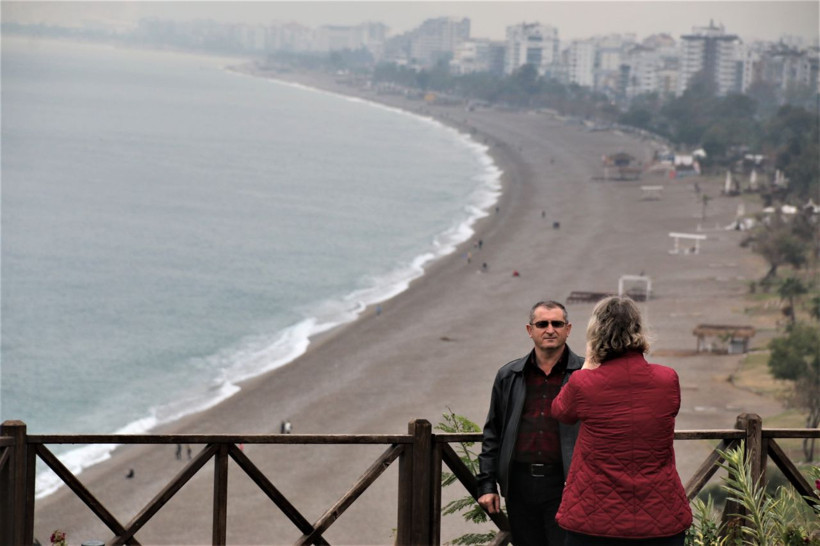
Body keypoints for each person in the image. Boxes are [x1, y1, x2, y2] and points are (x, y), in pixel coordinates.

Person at [551, 296, 692, 545]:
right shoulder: (668, 379)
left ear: (596, 333)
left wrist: (586, 366)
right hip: (660, 516)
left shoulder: (583, 384)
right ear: (638, 331)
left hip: (594, 519)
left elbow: (561, 412)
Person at [476, 300, 584, 546]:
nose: (550, 329)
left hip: (567, 485)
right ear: (530, 330)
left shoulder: (585, 374)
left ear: (568, 329)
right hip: (519, 486)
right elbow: (493, 432)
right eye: (542, 324)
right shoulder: (509, 375)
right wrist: (486, 484)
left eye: (557, 323)